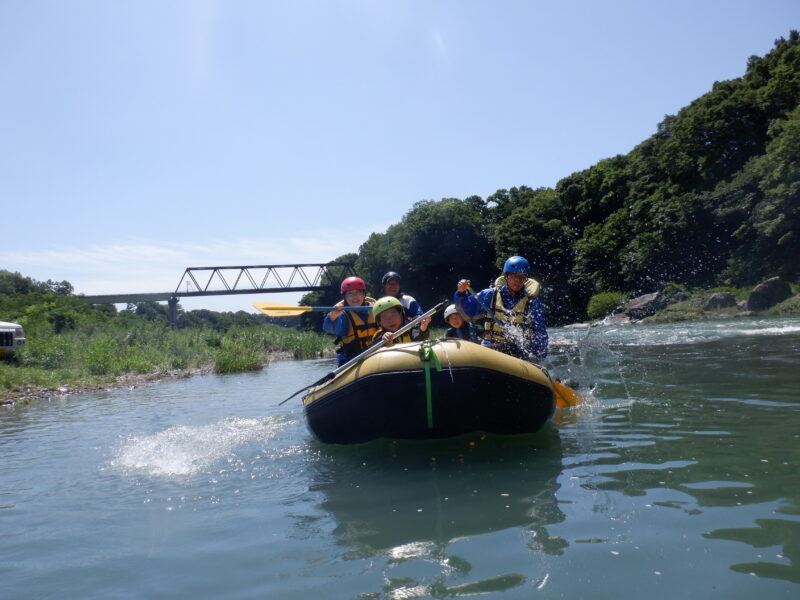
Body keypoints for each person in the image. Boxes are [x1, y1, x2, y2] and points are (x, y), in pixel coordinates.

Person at [453, 256, 548, 362]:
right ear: (506, 276)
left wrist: (537, 354)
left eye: (522, 277)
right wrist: (461, 292)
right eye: (514, 276)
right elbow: (468, 311)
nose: (518, 281)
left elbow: (540, 332)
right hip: (491, 345)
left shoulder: (532, 302)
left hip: (518, 349)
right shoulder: (489, 295)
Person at [322, 276, 378, 365]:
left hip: (376, 356)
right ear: (344, 297)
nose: (354, 296)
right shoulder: (342, 315)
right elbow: (331, 329)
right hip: (352, 360)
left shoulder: (376, 309)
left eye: (358, 292)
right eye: (350, 293)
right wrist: (332, 317)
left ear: (364, 294)